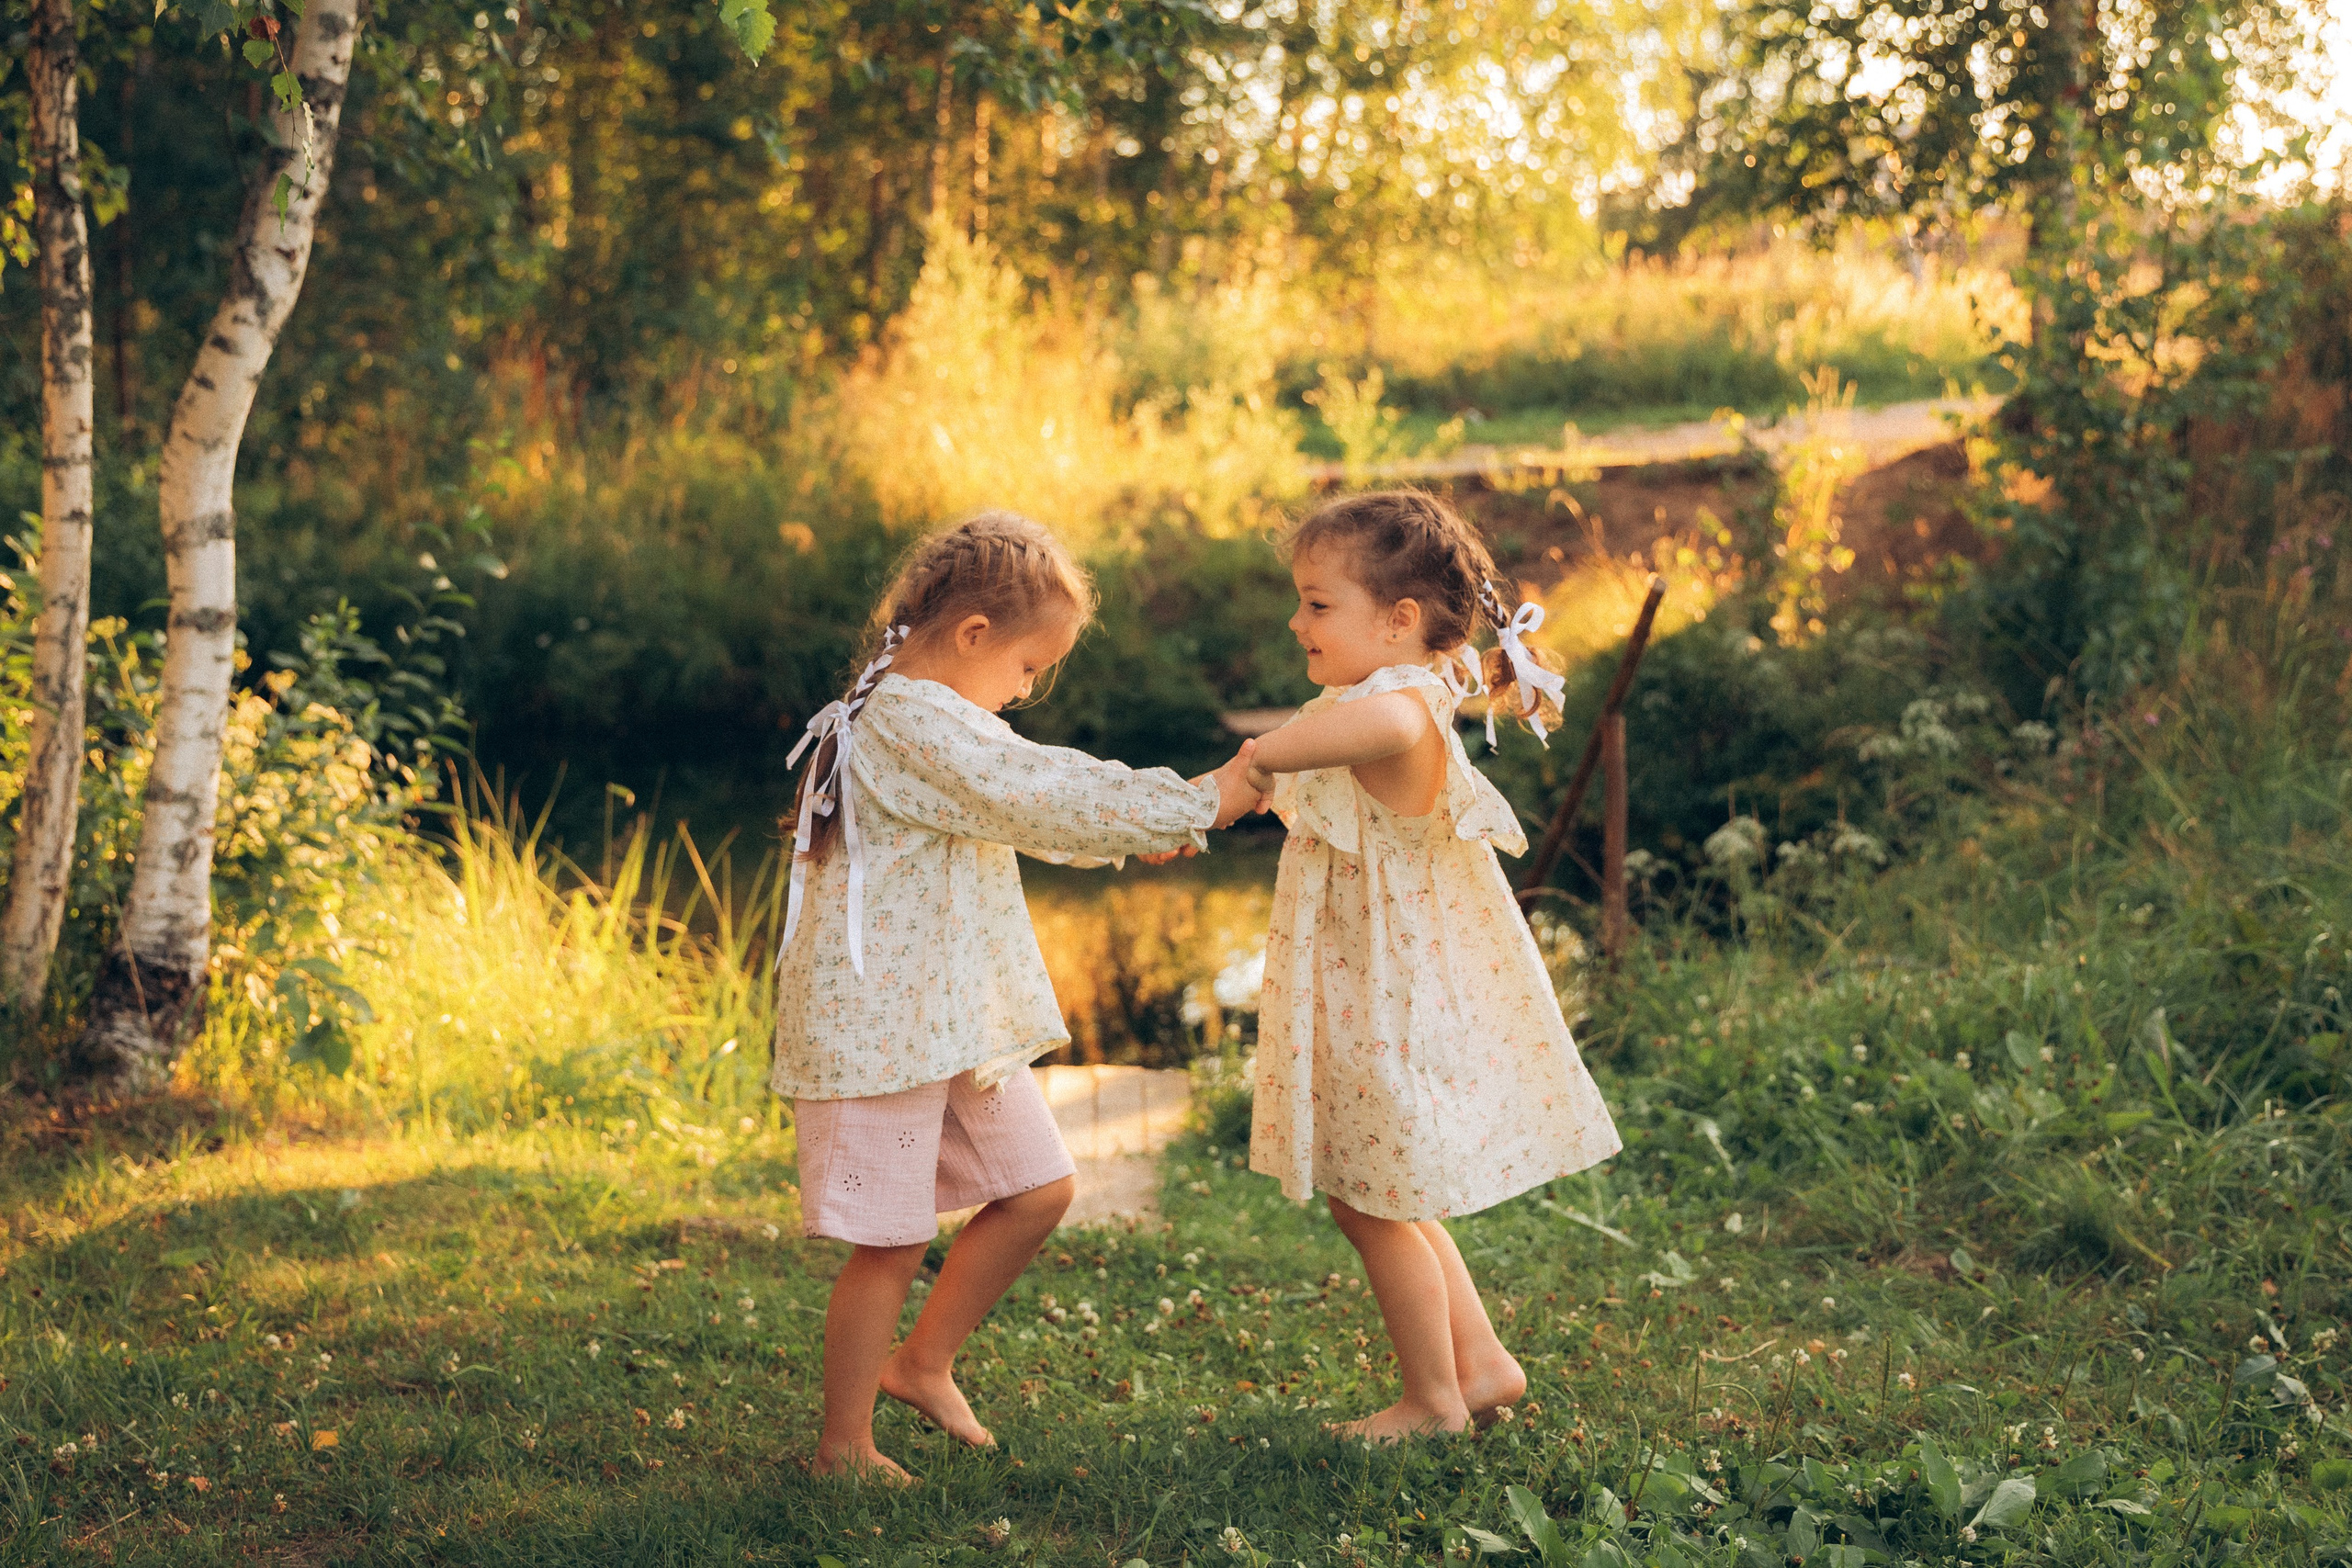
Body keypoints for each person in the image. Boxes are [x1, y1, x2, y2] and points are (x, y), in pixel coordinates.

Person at [773, 511, 1263, 1482]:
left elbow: (1015, 803)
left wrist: (1133, 830)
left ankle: (922, 1362)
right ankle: (843, 1448)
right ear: (972, 635)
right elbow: (1034, 789)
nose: (1026, 690)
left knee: (1039, 1190)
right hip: (881, 1026)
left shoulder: (930, 717)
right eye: (1030, 669)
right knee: (889, 1237)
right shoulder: (911, 718)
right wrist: (1201, 798)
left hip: (949, 1019)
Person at [1239, 490, 1622, 1442]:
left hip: (1387, 991)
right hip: (1380, 980)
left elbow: (1375, 734)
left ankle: (1431, 1400)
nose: (1297, 622)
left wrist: (1256, 758)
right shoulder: (1401, 688)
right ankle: (1482, 1365)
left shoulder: (1395, 709)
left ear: (1399, 619)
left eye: (1318, 604)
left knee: (1371, 1202)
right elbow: (1353, 726)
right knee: (1379, 1187)